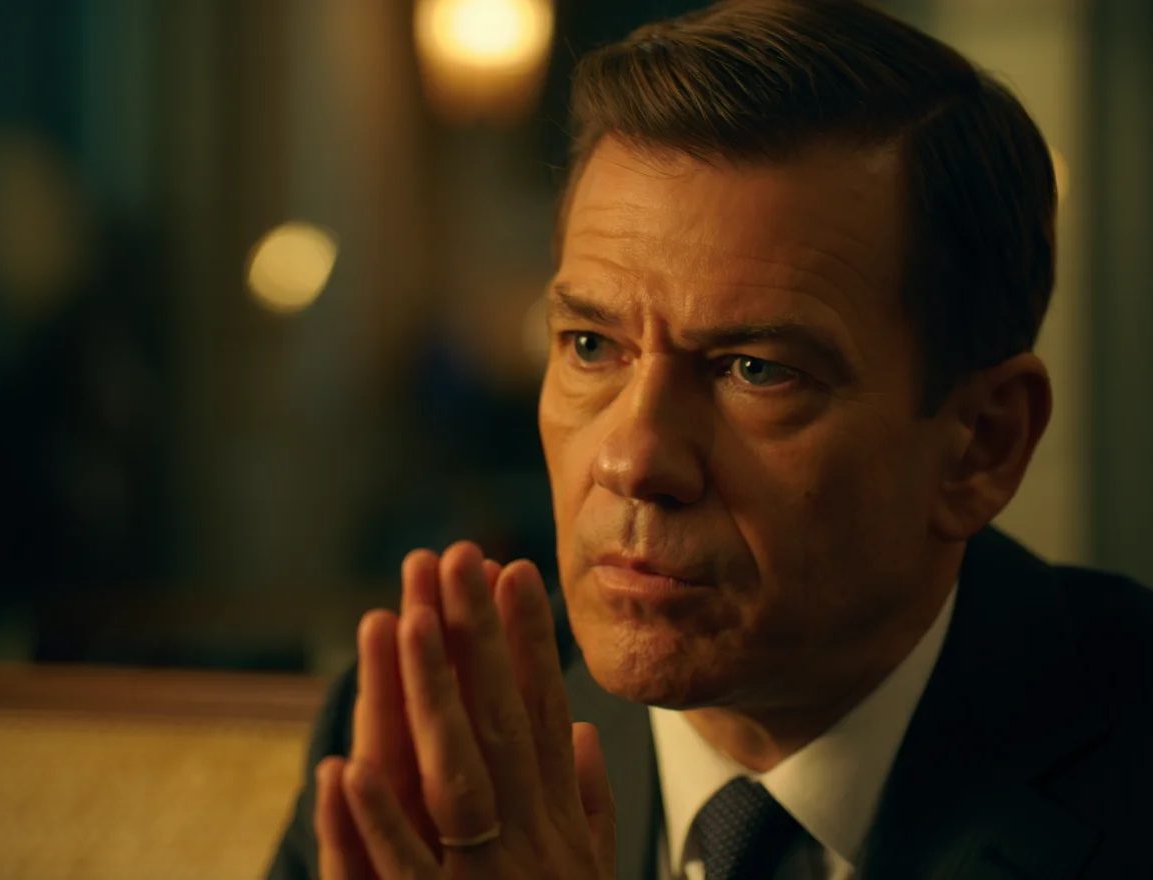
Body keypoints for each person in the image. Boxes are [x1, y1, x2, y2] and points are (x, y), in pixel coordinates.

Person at [267, 1, 1153, 878]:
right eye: (590, 347)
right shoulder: (423, 748)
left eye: (755, 370)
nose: (634, 458)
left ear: (981, 446)